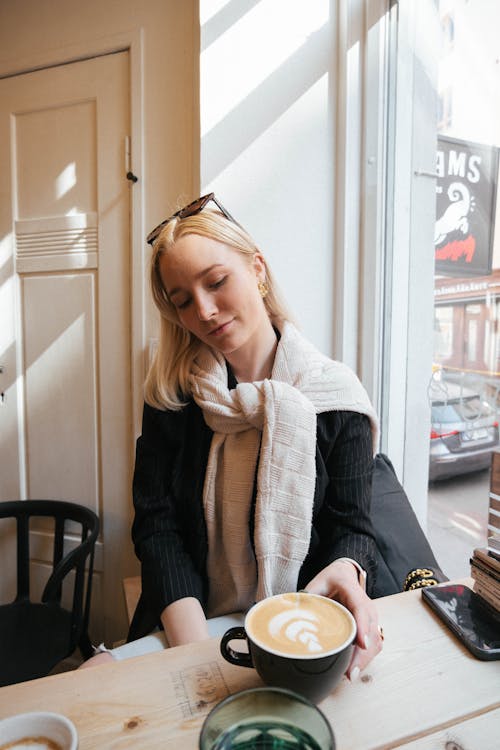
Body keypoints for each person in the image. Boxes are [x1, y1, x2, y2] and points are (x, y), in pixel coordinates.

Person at [82, 193, 383, 679]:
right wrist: (196, 652)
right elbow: (156, 524)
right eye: (182, 301)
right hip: (191, 619)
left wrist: (345, 570)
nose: (203, 311)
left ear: (258, 269)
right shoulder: (174, 397)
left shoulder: (334, 396)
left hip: (296, 624)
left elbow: (353, 528)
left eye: (217, 282)